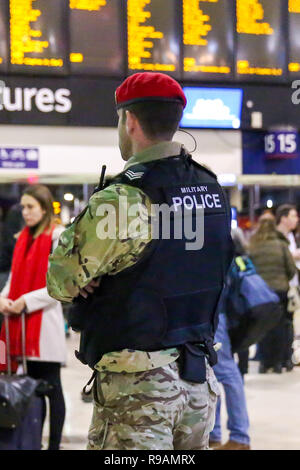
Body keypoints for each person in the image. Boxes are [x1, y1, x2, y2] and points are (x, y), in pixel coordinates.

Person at [47, 72, 233, 450]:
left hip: (140, 390)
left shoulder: (124, 198)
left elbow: (60, 280)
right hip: (198, 383)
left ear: (129, 121)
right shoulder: (212, 188)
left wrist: (95, 277)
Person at [0, 184, 66, 450]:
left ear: (44, 208)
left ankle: (54, 445)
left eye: (31, 207)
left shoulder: (57, 236)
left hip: (43, 326)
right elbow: (14, 278)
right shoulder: (22, 239)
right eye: (23, 207)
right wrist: (4, 298)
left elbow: (61, 284)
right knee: (30, 390)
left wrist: (26, 301)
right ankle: (31, 441)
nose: (26, 212)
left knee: (53, 390)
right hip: (20, 327)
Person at [249, 218, 296, 373]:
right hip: (280, 291)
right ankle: (278, 362)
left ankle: (264, 363)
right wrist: (283, 280)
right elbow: (291, 269)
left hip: (260, 292)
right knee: (281, 326)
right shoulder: (281, 245)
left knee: (263, 327)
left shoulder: (253, 246)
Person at [276, 204, 300, 370]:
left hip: (292, 285)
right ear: (283, 218)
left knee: (289, 322)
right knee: (279, 323)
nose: (296, 219)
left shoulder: (292, 236)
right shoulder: (276, 236)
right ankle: (278, 359)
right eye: (293, 216)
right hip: (279, 286)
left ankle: (287, 357)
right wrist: (294, 255)